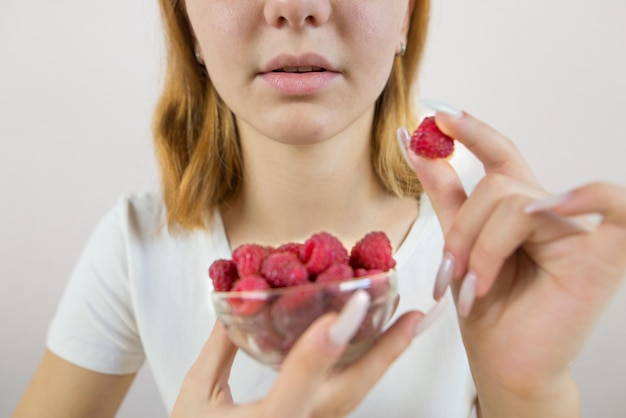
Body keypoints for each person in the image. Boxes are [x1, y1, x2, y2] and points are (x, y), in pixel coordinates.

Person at [12, 0, 626, 417]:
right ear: (187, 25)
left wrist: (528, 392)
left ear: (408, 14)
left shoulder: (484, 245)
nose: (295, 5)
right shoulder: (135, 246)